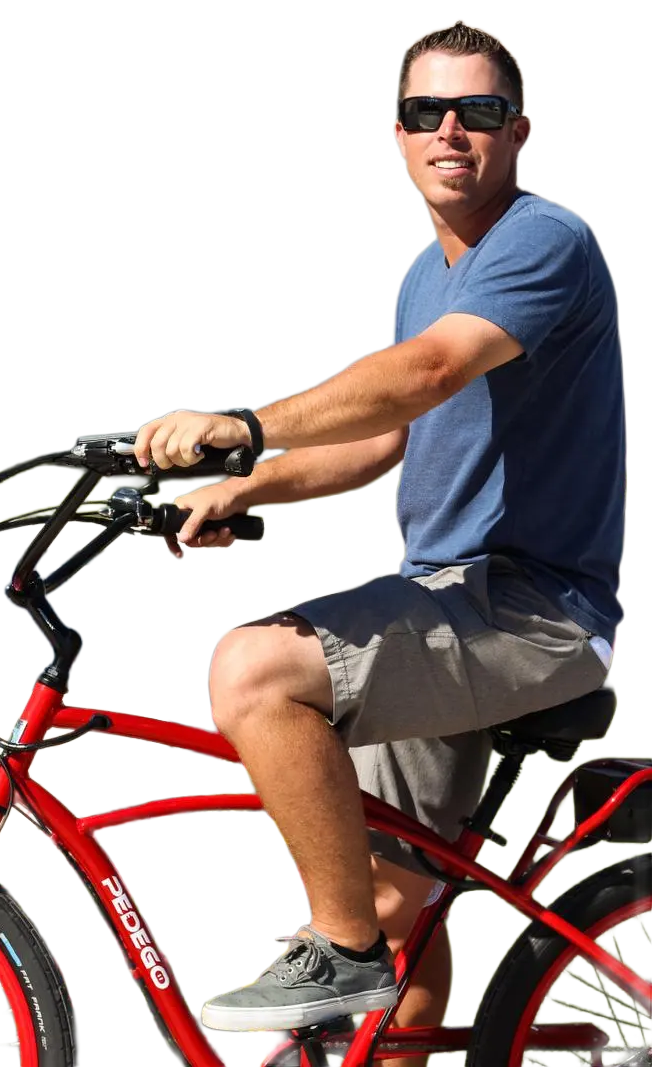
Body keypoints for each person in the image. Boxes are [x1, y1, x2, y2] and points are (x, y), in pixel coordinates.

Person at [133, 21, 626, 1058]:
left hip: (526, 606)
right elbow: (383, 437)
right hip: (444, 600)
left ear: (516, 130)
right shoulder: (424, 272)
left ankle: (337, 945)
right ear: (396, 135)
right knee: (406, 905)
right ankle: (370, 953)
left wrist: (246, 421)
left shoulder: (540, 241)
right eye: (423, 112)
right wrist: (241, 484)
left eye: (476, 111)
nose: (448, 130)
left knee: (256, 670)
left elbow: (428, 373)